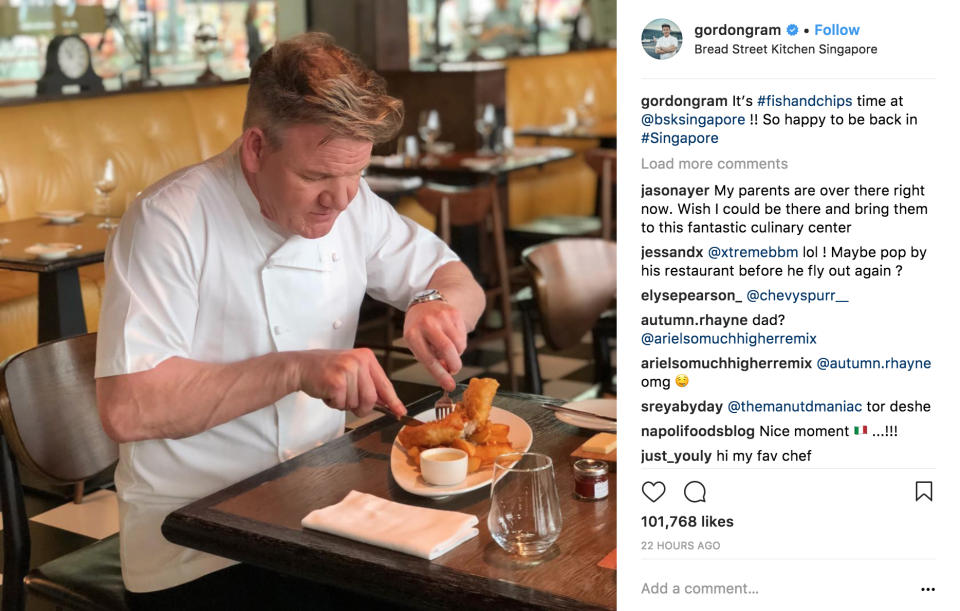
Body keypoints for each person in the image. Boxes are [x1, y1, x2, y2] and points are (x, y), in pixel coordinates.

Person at [95, 32, 485, 606]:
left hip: (319, 508)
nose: (342, 199)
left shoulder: (352, 201)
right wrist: (296, 369)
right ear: (256, 148)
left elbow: (457, 279)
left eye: (355, 174)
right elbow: (127, 407)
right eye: (317, 178)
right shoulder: (169, 220)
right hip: (192, 541)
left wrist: (434, 305)